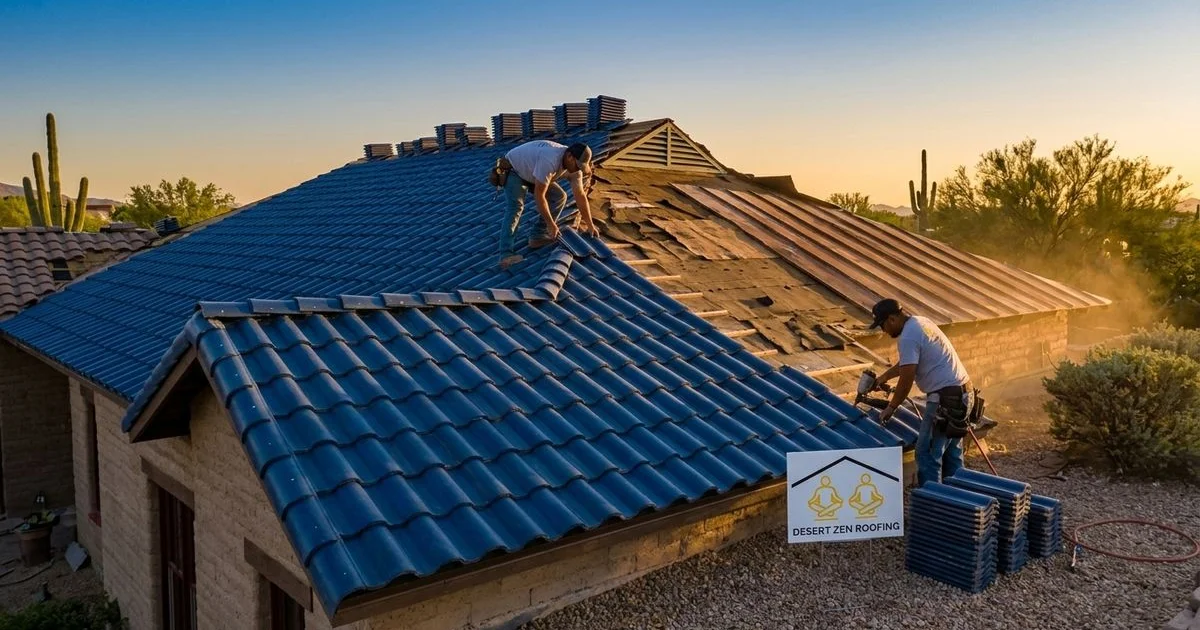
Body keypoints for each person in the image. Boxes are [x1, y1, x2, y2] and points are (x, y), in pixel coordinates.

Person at [868, 298, 974, 486]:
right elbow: (909, 362)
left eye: (882, 325)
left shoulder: (908, 337)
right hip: (963, 394)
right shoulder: (921, 322)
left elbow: (907, 378)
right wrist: (884, 377)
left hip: (944, 400)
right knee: (952, 454)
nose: (883, 331)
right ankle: (959, 502)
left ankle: (935, 505)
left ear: (892, 319)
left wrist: (891, 408)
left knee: (927, 453)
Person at [496, 139, 599, 269]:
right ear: (569, 156)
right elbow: (540, 195)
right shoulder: (550, 159)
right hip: (514, 170)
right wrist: (551, 224)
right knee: (516, 207)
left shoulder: (575, 170)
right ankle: (506, 255)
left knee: (560, 197)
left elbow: (580, 196)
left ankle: (537, 236)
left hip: (534, 172)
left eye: (581, 167)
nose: (578, 170)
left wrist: (590, 224)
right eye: (577, 166)